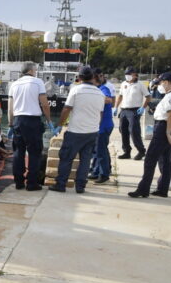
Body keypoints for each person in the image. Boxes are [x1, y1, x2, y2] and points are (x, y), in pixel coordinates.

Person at [49, 66, 105, 194]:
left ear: (79, 78)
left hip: (75, 131)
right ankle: (80, 187)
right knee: (85, 160)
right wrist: (95, 126)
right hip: (92, 132)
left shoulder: (76, 90)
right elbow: (100, 114)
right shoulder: (100, 93)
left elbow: (66, 109)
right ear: (92, 77)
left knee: (66, 158)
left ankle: (61, 184)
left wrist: (59, 124)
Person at [129, 72, 171, 198]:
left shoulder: (170, 97)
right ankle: (163, 189)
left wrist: (168, 132)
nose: (160, 85)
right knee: (165, 160)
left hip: (163, 129)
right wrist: (170, 128)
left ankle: (143, 189)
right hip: (169, 127)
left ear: (167, 82)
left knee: (150, 159)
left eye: (161, 82)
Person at [8, 62, 55, 191]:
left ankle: (18, 182)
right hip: (32, 121)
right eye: (35, 69)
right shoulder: (37, 82)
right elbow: (45, 104)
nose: (36, 71)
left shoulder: (14, 84)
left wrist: (11, 124)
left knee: (18, 152)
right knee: (34, 152)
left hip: (18, 121)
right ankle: (31, 183)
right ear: (31, 70)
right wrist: (49, 120)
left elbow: (10, 107)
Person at [114, 66, 151, 160]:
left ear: (135, 75)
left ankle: (141, 150)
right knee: (123, 131)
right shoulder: (123, 84)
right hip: (124, 110)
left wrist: (143, 107)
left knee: (134, 132)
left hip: (134, 111)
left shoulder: (140, 85)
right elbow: (120, 96)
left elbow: (148, 97)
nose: (128, 76)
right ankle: (126, 151)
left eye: (130, 74)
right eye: (126, 74)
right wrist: (116, 107)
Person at [88, 69, 115, 184]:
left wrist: (95, 97)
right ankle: (96, 171)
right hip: (98, 125)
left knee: (101, 151)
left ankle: (104, 174)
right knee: (96, 150)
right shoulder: (97, 90)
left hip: (103, 126)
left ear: (94, 79)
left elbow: (109, 100)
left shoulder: (103, 89)